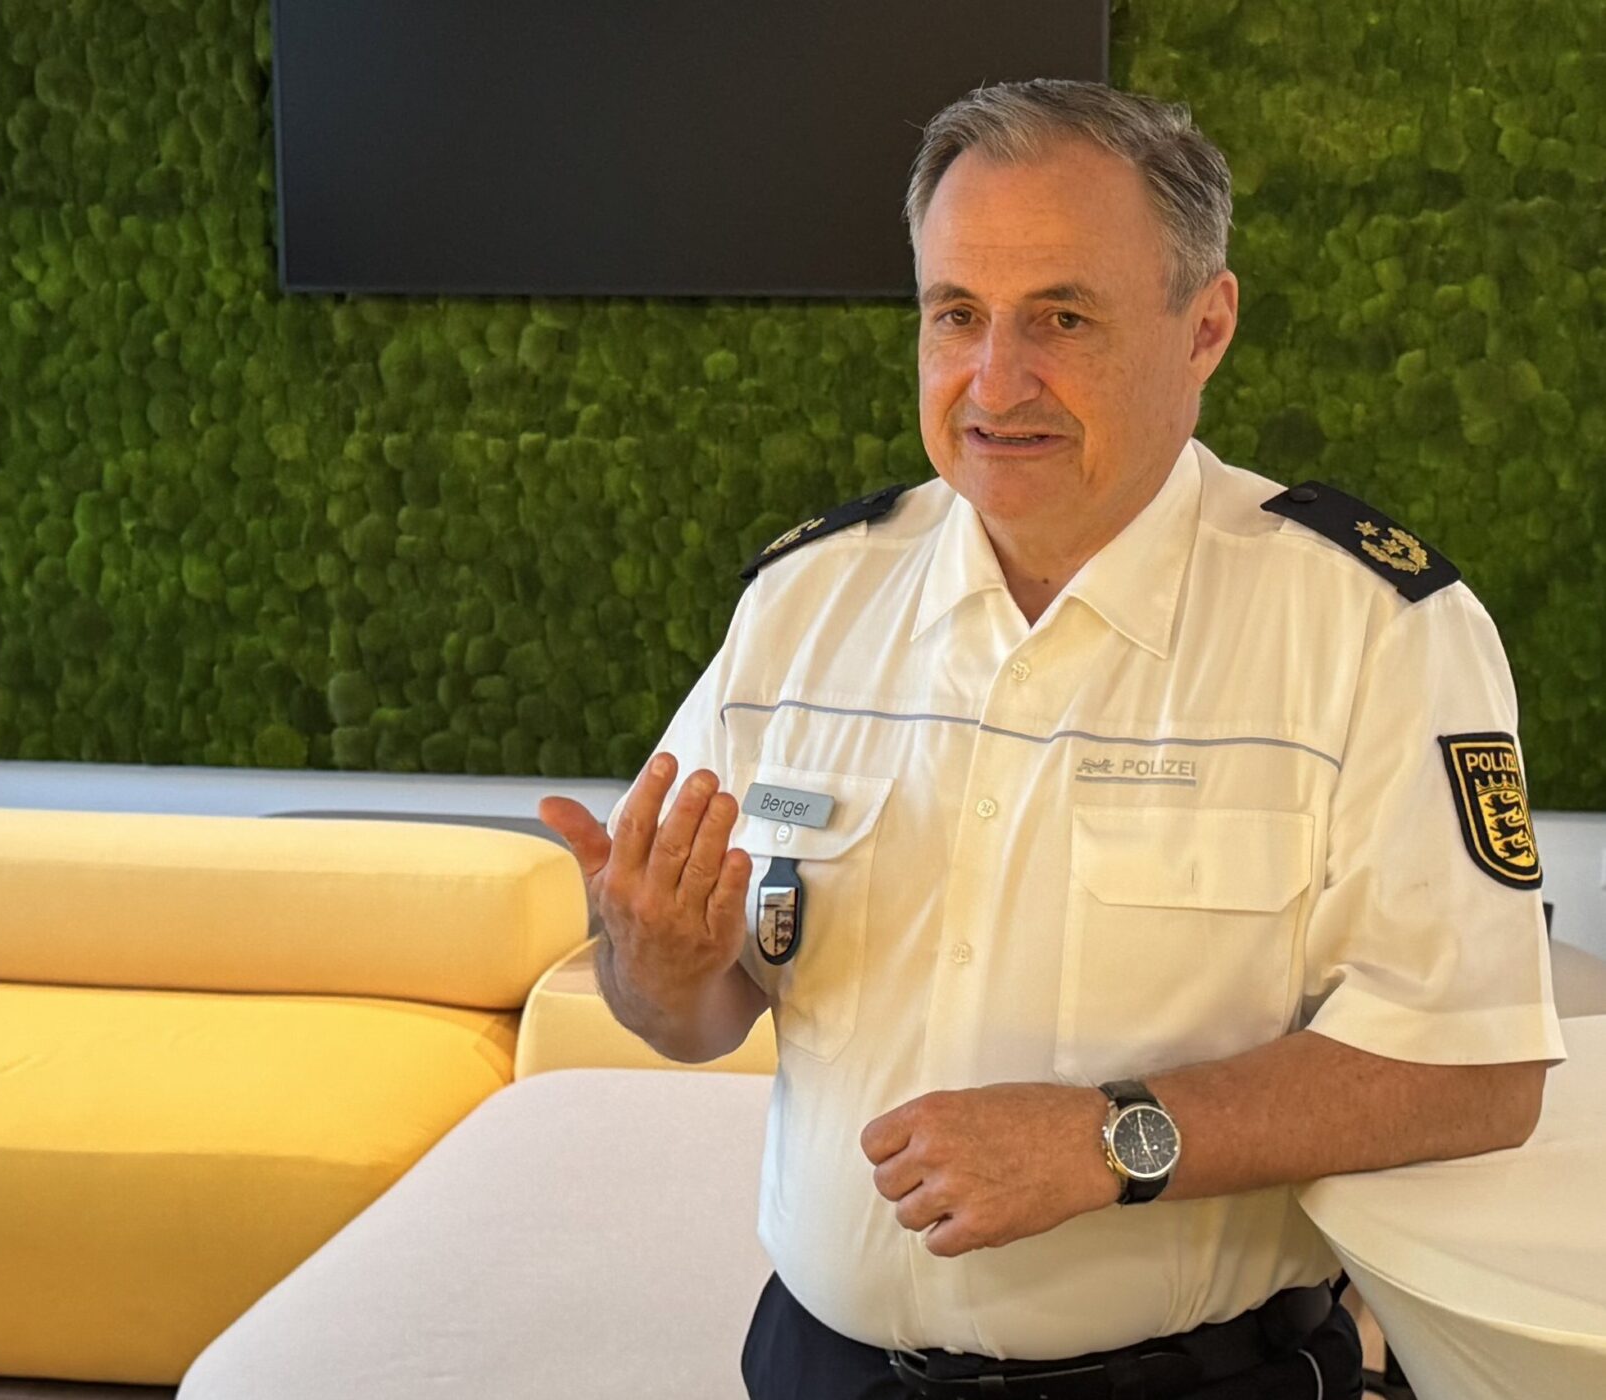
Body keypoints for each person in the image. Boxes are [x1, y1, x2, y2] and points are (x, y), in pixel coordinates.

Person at [538, 79, 1565, 1400]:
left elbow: (1474, 1071)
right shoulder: (805, 603)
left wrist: (1116, 1138)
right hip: (819, 1366)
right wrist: (658, 965)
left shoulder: (1375, 630)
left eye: (1062, 319)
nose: (995, 380)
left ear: (1206, 328)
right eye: (956, 315)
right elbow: (694, 1007)